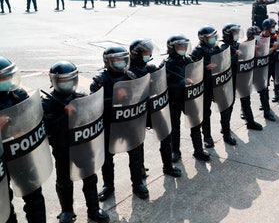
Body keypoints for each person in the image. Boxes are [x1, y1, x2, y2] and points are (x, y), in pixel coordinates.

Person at [42, 61, 111, 223]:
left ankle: (93, 209)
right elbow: (48, 129)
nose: (67, 84)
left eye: (70, 80)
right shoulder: (48, 102)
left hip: (82, 145)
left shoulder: (81, 96)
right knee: (64, 180)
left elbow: (92, 118)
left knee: (89, 177)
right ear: (54, 82)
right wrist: (64, 116)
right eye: (63, 81)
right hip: (62, 148)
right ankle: (67, 210)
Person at [90, 46, 148, 201]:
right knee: (107, 159)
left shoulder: (130, 76)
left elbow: (139, 97)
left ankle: (137, 184)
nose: (121, 63)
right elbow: (94, 107)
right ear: (108, 62)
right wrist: (116, 97)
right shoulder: (100, 82)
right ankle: (108, 186)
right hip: (109, 125)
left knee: (135, 155)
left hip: (129, 123)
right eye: (117, 60)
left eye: (123, 59)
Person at [0, 56, 47, 222]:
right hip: (1, 161)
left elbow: (32, 119)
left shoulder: (17, 94)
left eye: (8, 76)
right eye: (2, 78)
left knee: (34, 196)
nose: (7, 81)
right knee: (4, 203)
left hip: (22, 153)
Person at [128, 39, 182, 177]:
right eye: (146, 52)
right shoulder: (128, 73)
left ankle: (168, 166)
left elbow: (163, 82)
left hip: (155, 109)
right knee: (138, 144)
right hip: (139, 113)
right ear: (137, 54)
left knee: (166, 136)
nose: (149, 54)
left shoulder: (150, 68)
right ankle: (139, 169)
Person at [165, 35, 211, 161]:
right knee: (175, 127)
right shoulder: (167, 65)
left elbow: (196, 74)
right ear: (172, 48)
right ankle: (175, 151)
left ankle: (198, 150)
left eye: (185, 46)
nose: (183, 48)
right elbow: (163, 85)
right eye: (180, 46)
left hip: (190, 98)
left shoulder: (188, 60)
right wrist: (180, 84)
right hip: (175, 100)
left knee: (195, 124)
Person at [189, 27, 218, 148]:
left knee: (207, 111)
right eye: (211, 37)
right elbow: (192, 71)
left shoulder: (216, 48)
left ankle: (208, 135)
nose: (213, 39)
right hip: (201, 87)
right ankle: (205, 138)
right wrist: (205, 67)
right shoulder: (197, 51)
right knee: (200, 113)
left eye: (214, 36)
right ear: (204, 38)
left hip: (213, 85)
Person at [236, 26, 265, 130]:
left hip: (253, 73)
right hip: (243, 76)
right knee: (245, 99)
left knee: (246, 98)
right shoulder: (243, 45)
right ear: (251, 36)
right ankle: (250, 121)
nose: (258, 37)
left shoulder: (259, 44)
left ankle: (246, 115)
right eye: (256, 35)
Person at [258, 19, 279, 121]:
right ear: (266, 28)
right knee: (264, 89)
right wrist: (273, 49)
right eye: (272, 27)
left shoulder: (275, 36)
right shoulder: (260, 38)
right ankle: (266, 111)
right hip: (263, 67)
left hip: (274, 64)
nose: (273, 29)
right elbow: (261, 53)